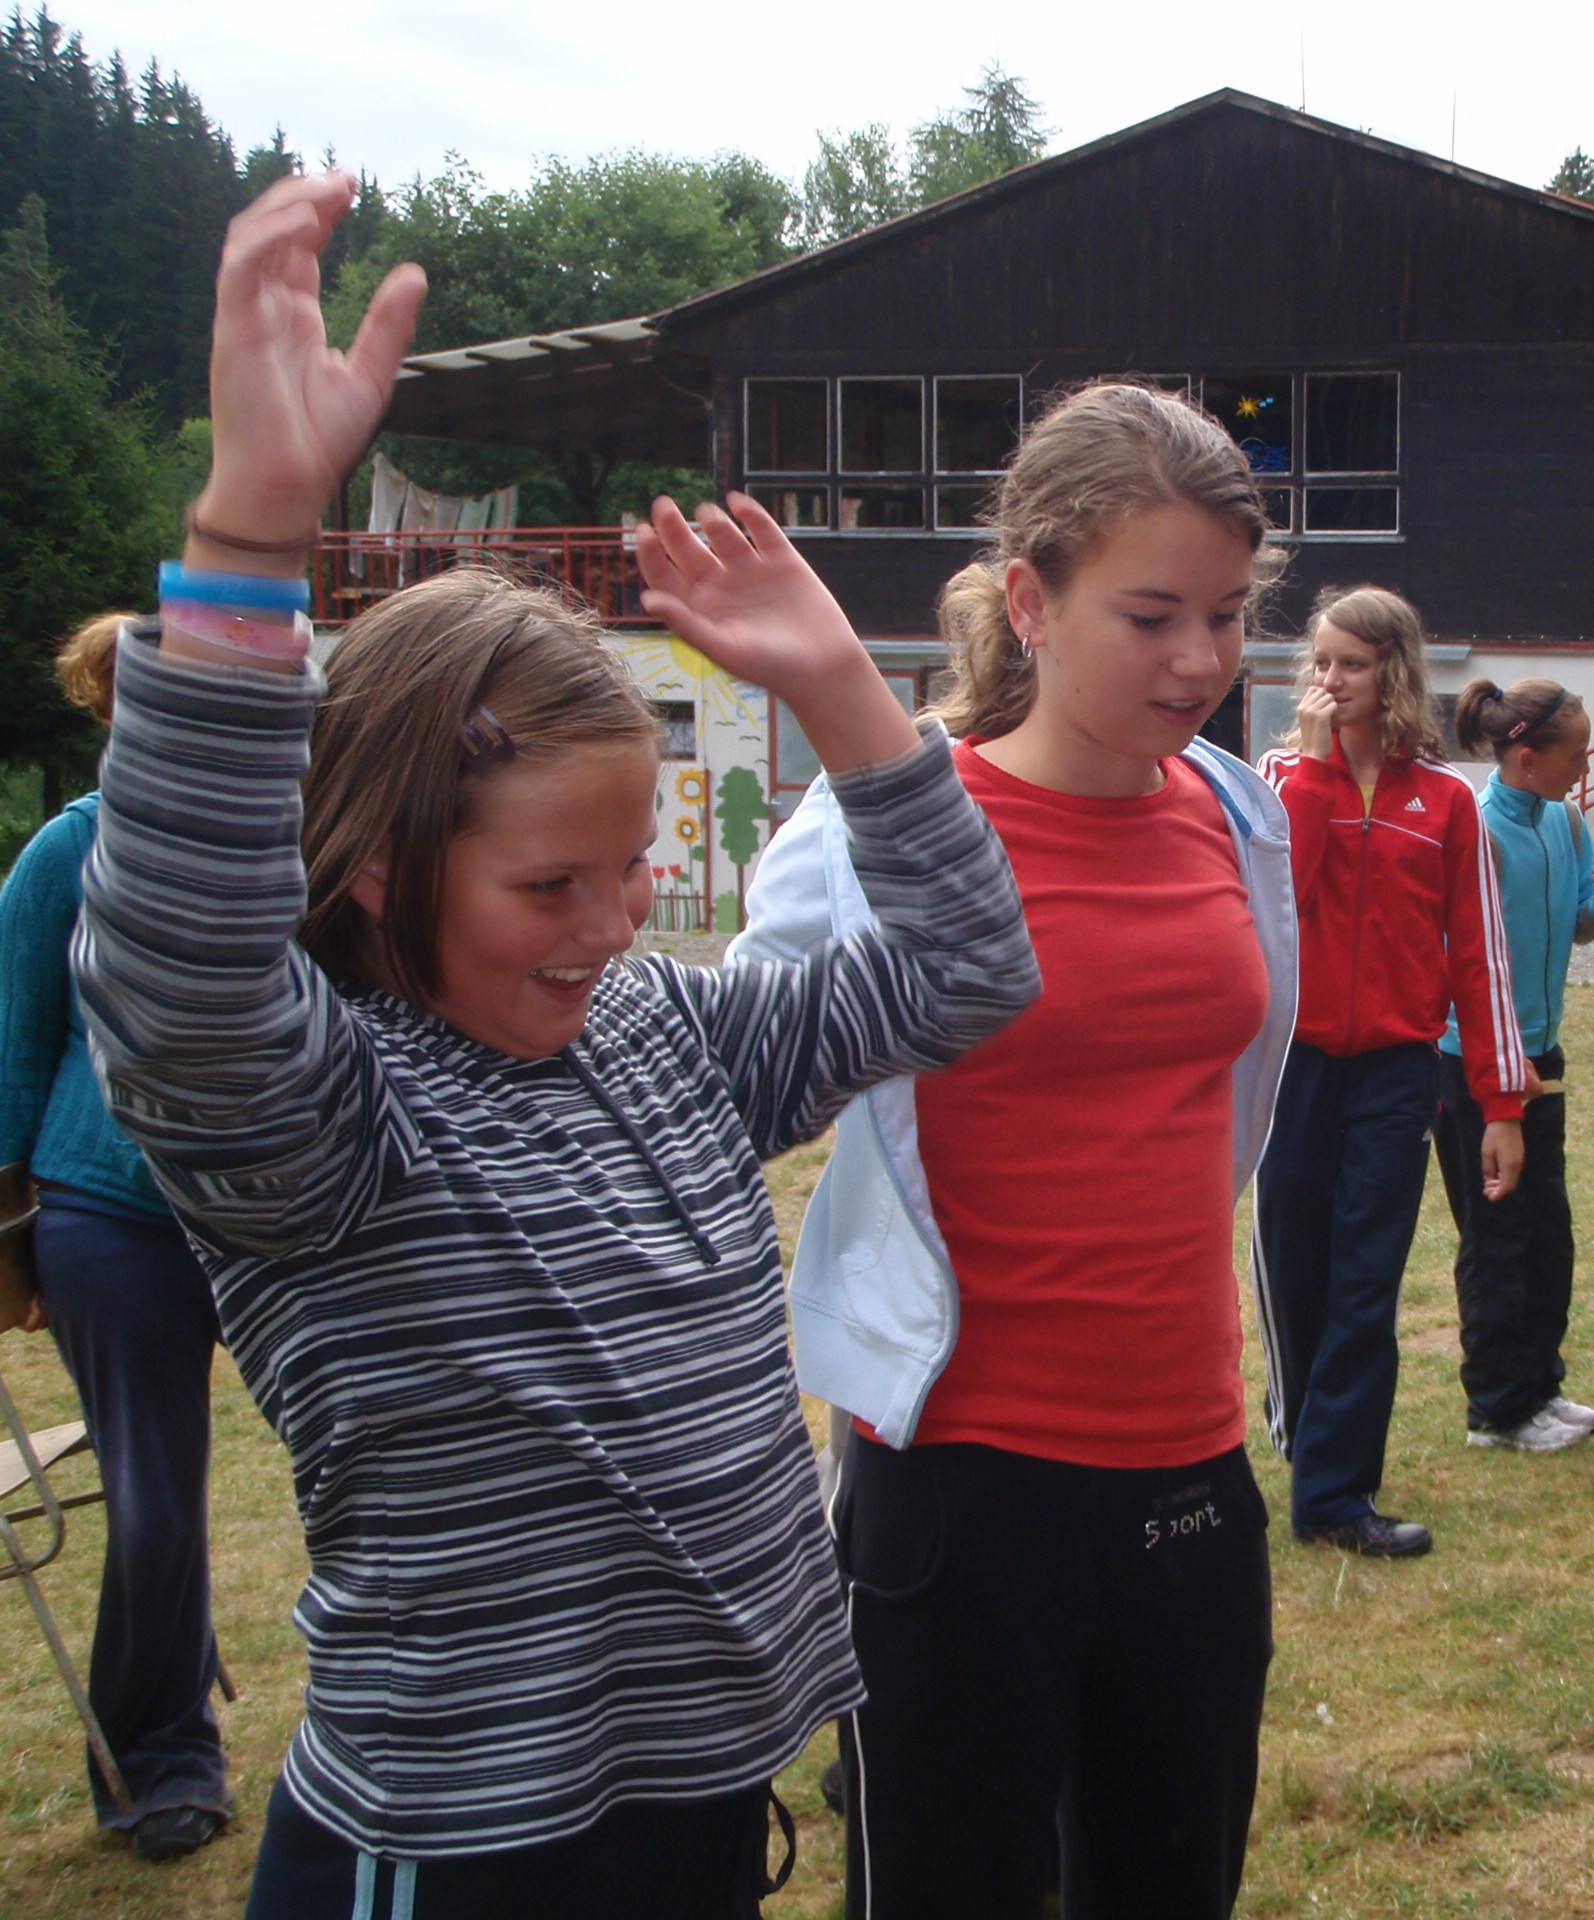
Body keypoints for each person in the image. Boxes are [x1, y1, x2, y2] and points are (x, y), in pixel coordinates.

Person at [73, 171, 1039, 1919]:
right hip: (464, 1846)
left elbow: (967, 973)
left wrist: (846, 692)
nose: (609, 925)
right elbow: (183, 974)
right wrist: (250, 538)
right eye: (547, 886)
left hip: (701, 1800)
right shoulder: (325, 1117)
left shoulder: (666, 1031)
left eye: (633, 870)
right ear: (380, 866)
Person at [734, 379, 1297, 1920]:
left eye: (1229, 616)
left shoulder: (1240, 817)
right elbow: (733, 1078)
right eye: (1154, 616)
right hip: (958, 1480)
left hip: (1191, 1466)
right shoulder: (880, 825)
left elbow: (1228, 1097)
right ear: (1032, 603)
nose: (1202, 661)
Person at [0, 615, 231, 1863]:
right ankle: (160, 1757)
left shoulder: (280, 843)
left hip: (262, 1212)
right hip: (107, 1214)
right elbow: (12, 1045)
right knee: (152, 1501)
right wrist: (7, 1243)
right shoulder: (66, 852)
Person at [1255, 588, 1531, 1559]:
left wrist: (1502, 1103)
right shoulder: (1279, 778)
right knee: (1296, 1270)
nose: (1330, 679)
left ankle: (1336, 1495)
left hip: (1397, 1073)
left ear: (1394, 672)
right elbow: (1275, 908)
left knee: (1366, 1282)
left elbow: (1480, 958)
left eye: (1352, 664)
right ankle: (1301, 1429)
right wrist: (1315, 775)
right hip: (1292, 1067)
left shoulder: (1447, 802)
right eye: (1322, 661)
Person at [1431, 677, 1594, 1453]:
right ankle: (1498, 1409)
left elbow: (1578, 926)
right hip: (1473, 1061)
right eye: (1574, 756)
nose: (1585, 769)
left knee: (1548, 1233)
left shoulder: (1565, 821)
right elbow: (1456, 958)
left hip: (1543, 1054)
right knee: (1496, 1236)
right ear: (1527, 758)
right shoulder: (1474, 829)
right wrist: (1491, 1063)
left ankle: (1541, 1386)